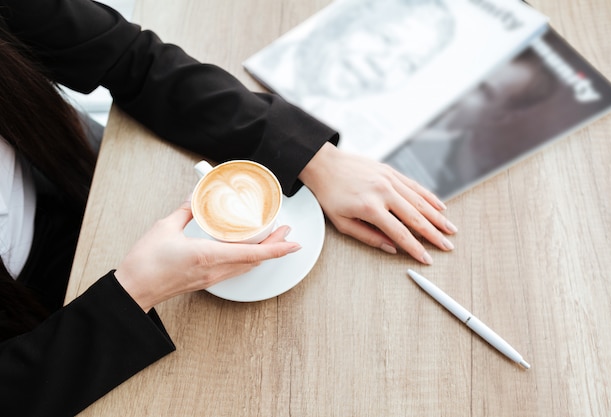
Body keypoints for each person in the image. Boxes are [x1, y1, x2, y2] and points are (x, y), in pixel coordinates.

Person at [0, 0, 457, 415]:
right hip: (34, 325)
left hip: (67, 163)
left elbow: (131, 58)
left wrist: (312, 157)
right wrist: (136, 291)